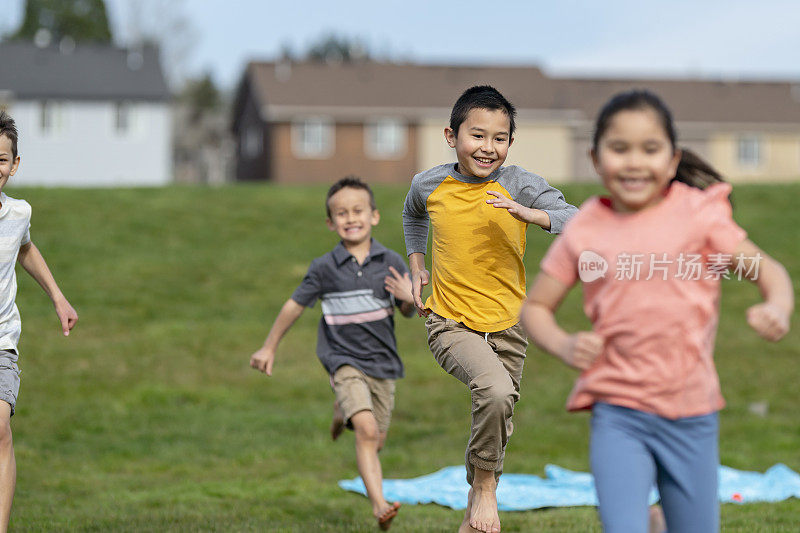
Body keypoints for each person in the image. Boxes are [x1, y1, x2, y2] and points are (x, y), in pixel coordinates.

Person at [520, 89, 794, 533]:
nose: (634, 162)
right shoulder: (585, 227)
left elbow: (770, 271)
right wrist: (563, 343)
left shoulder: (699, 215)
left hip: (692, 414)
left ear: (671, 160)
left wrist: (777, 306)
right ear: (595, 158)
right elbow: (535, 307)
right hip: (619, 413)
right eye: (619, 148)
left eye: (650, 149)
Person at [402, 85, 578, 533]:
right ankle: (483, 491)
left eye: (499, 138)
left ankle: (472, 516)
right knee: (496, 392)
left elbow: (576, 218)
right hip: (449, 320)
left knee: (500, 416)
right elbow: (413, 213)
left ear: (510, 143)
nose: (488, 147)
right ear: (451, 135)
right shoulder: (429, 183)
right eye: (477, 135)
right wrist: (417, 262)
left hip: (508, 325)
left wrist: (532, 215)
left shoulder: (519, 183)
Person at [249, 176, 414, 530]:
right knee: (368, 432)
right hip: (343, 361)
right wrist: (269, 346)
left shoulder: (391, 261)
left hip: (383, 364)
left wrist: (407, 295)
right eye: (341, 213)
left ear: (374, 216)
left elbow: (408, 311)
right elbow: (294, 306)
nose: (350, 218)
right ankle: (379, 505)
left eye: (358, 210)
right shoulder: (324, 268)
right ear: (330, 222)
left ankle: (343, 411)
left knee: (377, 439)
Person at [0, 111, 79, 532]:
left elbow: (25, 249)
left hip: (1, 339)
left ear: (14, 165)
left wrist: (58, 297)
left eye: (0, 159)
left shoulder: (18, 214)